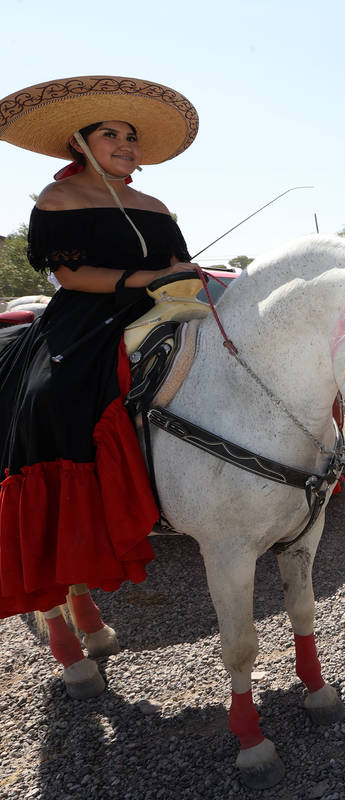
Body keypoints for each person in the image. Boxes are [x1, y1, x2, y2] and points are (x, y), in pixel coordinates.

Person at [0, 76, 200, 617]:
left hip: (164, 307)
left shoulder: (155, 204)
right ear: (79, 143)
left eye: (132, 136)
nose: (126, 144)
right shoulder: (60, 197)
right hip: (88, 315)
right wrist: (144, 277)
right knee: (54, 393)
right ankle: (63, 547)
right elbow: (70, 275)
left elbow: (175, 267)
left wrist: (185, 275)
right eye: (110, 133)